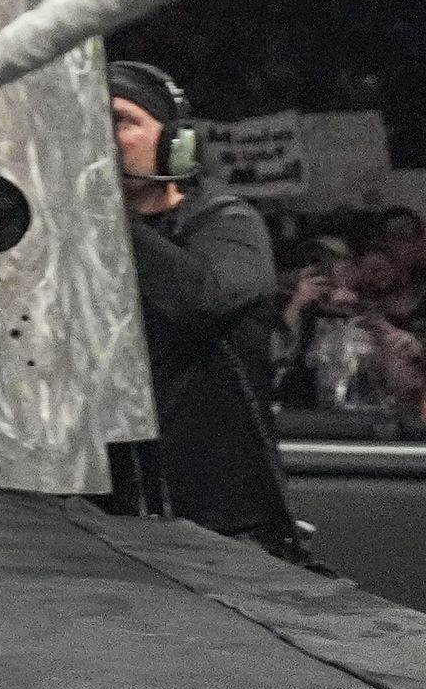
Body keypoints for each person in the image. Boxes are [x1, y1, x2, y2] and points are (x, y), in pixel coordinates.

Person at [106, 60, 298, 557]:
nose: (100, 137)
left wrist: (99, 208)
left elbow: (202, 301)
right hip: (113, 517)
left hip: (224, 523)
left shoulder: (226, 221)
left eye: (121, 120)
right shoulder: (85, 236)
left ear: (175, 141)